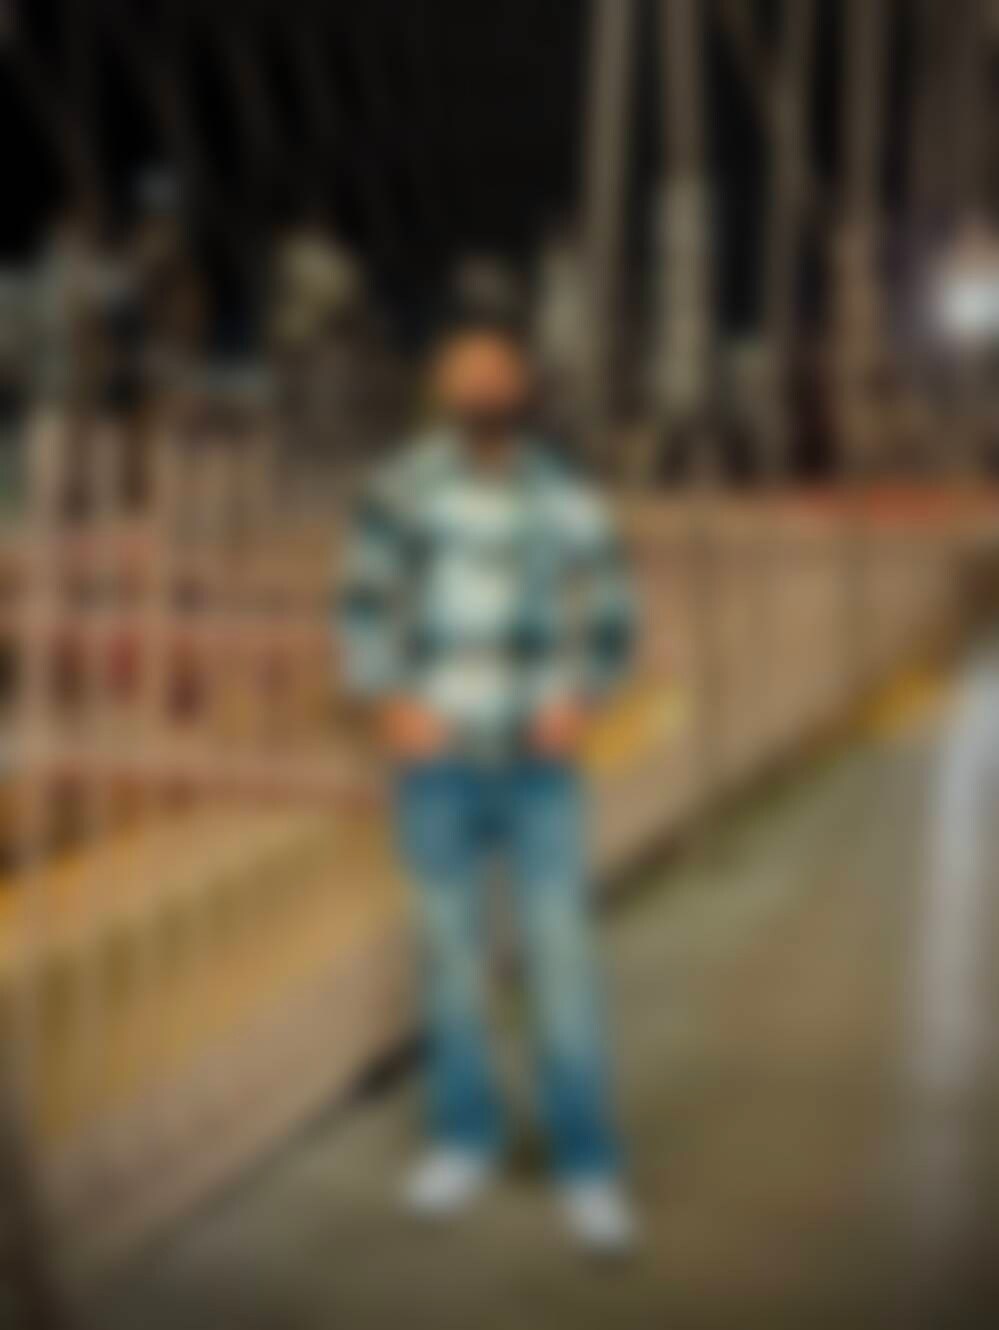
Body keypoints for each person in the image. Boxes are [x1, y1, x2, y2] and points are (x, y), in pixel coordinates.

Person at [337, 319, 638, 1254]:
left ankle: (586, 1164)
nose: (480, 385)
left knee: (561, 960)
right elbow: (362, 604)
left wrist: (584, 696)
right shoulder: (397, 490)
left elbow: (616, 611)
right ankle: (463, 1140)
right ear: (442, 388)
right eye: (463, 371)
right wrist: (387, 700)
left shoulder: (566, 494)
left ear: (520, 387)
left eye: (496, 371)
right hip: (438, 764)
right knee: (450, 962)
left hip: (540, 764)